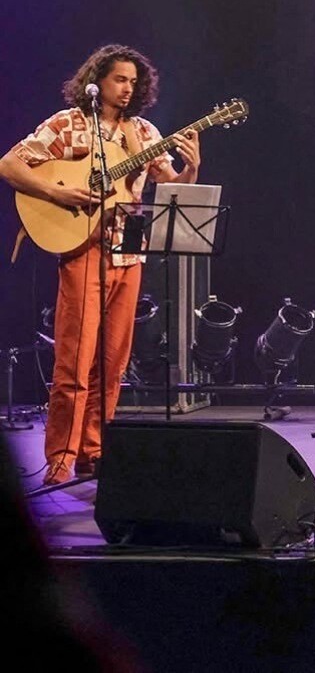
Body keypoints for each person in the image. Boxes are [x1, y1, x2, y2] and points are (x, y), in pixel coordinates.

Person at [0, 45, 201, 486]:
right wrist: (57, 193)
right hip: (83, 252)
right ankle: (60, 459)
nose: (127, 88)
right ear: (99, 80)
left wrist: (191, 167)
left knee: (112, 363)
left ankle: (95, 452)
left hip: (129, 253)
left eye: (133, 81)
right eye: (119, 80)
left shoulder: (144, 133)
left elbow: (174, 191)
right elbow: (10, 164)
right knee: (73, 362)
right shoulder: (68, 124)